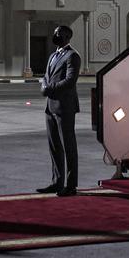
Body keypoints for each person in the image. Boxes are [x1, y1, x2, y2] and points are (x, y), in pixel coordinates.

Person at [36, 25, 81, 197]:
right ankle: (57, 182)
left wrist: (49, 88)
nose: (55, 35)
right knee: (54, 147)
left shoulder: (73, 56)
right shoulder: (53, 55)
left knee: (68, 147)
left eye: (58, 33)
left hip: (65, 107)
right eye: (54, 32)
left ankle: (71, 185)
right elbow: (46, 77)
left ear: (67, 37)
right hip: (50, 107)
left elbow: (70, 81)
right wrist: (43, 86)